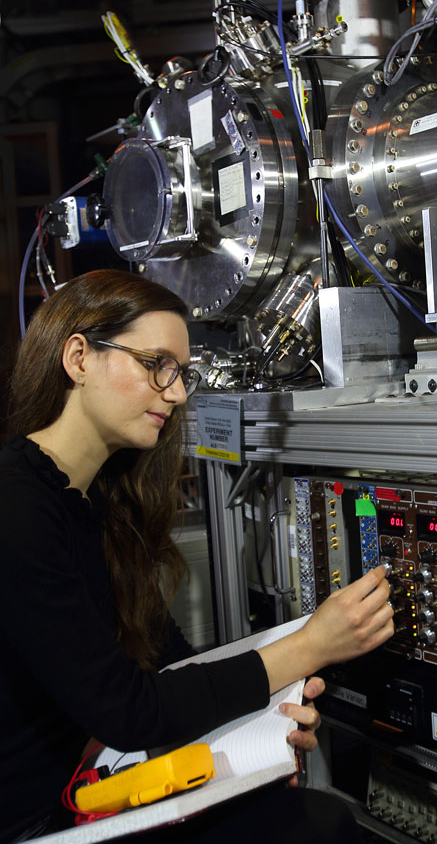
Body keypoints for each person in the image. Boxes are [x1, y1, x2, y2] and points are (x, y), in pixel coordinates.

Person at [0, 269, 394, 843]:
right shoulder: (17, 509)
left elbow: (167, 667)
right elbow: (130, 711)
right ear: (79, 358)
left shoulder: (94, 502)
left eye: (181, 372)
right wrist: (312, 644)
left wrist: (253, 738)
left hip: (89, 787)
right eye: (155, 364)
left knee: (314, 820)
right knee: (323, 830)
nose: (179, 392)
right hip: (38, 822)